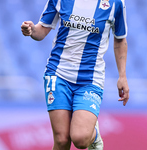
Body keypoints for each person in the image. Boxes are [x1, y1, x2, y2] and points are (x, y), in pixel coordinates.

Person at [21, 0, 129, 149]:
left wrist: (122, 76)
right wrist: (32, 30)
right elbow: (42, 30)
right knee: (61, 139)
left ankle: (94, 135)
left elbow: (120, 38)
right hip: (59, 73)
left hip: (90, 78)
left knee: (80, 139)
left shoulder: (115, 3)